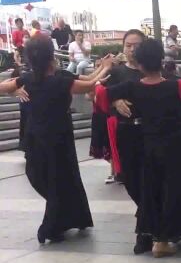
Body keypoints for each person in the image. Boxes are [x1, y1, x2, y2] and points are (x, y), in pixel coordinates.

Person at [97, 39, 181, 258]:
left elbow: (101, 95)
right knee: (175, 189)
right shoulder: (175, 86)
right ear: (161, 61)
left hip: (148, 145)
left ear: (139, 64)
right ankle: (166, 239)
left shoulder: (131, 87)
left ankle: (158, 237)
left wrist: (103, 76)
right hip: (175, 147)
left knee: (153, 190)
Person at [0, 35, 113, 243]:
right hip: (59, 137)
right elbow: (88, 85)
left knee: (44, 177)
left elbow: (87, 82)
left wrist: (15, 91)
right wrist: (104, 68)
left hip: (38, 138)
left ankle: (59, 221)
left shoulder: (30, 79)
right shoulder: (60, 81)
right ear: (51, 58)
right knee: (62, 178)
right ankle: (62, 219)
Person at [102, 29, 149, 254]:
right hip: (126, 132)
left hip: (150, 132)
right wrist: (115, 100)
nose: (132, 49)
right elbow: (100, 93)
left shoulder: (151, 70)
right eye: (128, 45)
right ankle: (146, 216)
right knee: (129, 179)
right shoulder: (117, 72)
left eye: (136, 45)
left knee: (149, 180)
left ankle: (144, 231)